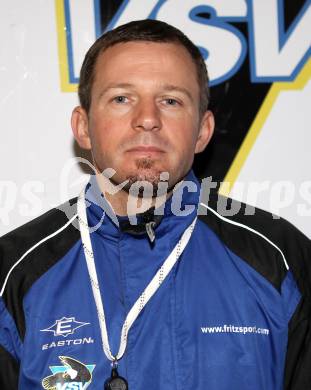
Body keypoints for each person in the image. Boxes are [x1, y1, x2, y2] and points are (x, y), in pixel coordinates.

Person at [0, 19, 310, 390]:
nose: (147, 119)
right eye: (121, 98)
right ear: (83, 127)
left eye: (170, 100)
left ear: (202, 131)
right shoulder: (13, 273)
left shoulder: (281, 261)